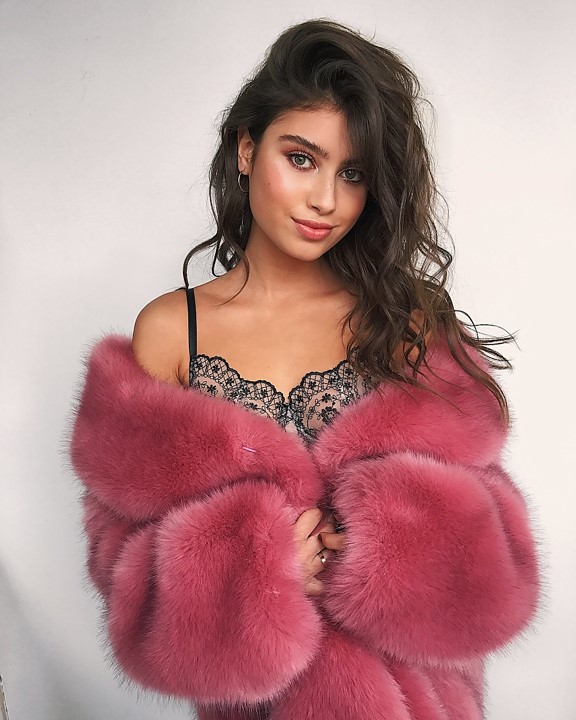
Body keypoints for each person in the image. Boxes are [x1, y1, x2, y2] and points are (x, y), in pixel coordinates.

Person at [69, 18, 540, 720]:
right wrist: (259, 570)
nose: (326, 200)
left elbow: (498, 556)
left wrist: (381, 551)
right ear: (246, 148)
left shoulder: (406, 322)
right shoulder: (172, 332)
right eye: (301, 159)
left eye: (353, 174)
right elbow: (118, 562)